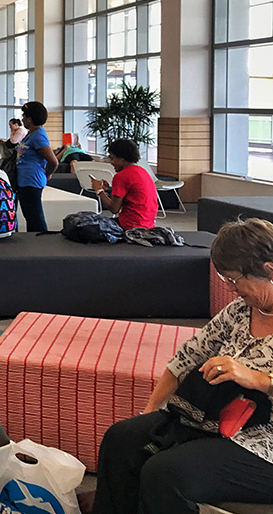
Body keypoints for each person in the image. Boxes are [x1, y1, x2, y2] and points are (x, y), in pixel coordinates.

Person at [91, 218, 273, 513]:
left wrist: (257, 379)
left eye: (235, 280)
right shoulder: (240, 311)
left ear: (269, 270)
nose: (231, 289)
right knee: (122, 439)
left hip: (265, 442)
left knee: (165, 473)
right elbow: (185, 358)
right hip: (214, 420)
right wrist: (151, 411)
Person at [90, 138, 159, 230]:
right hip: (148, 224)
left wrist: (99, 190)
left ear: (122, 158)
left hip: (129, 225)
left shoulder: (121, 176)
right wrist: (109, 189)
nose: (110, 162)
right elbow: (132, 194)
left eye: (112, 158)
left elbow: (114, 209)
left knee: (83, 225)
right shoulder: (142, 171)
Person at [15, 101, 58, 232]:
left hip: (32, 181)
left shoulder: (39, 136)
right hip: (24, 180)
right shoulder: (31, 134)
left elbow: (53, 161)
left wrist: (48, 174)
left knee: (35, 217)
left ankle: (41, 240)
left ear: (30, 119)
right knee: (29, 216)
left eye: (24, 116)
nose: (22, 119)